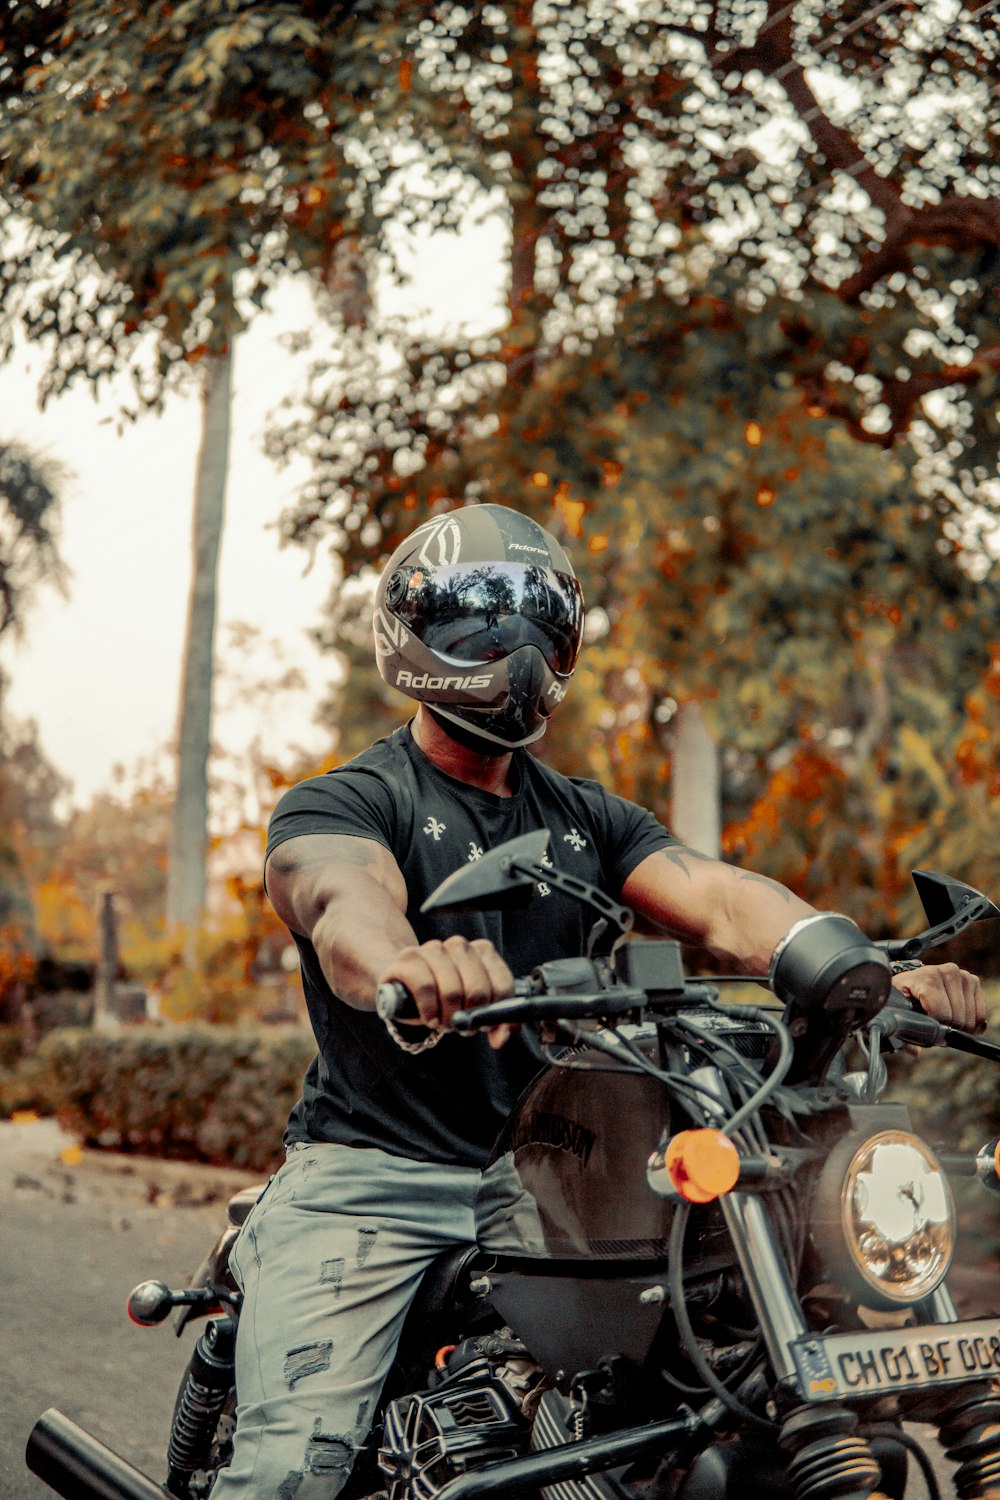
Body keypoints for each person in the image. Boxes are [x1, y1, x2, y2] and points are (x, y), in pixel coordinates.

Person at [215, 502, 983, 1499]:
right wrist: (409, 964)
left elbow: (718, 900)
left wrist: (855, 966)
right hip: (377, 1180)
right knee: (290, 1476)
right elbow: (341, 901)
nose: (517, 650)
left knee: (704, 1389)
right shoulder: (351, 800)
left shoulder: (587, 819)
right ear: (414, 639)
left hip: (561, 1189)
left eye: (540, 624)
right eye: (484, 625)